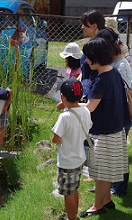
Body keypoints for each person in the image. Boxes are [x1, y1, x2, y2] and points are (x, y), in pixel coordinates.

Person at [79, 37, 131, 217]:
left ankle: (97, 206)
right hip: (116, 130)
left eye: (87, 57)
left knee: (100, 174)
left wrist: (70, 105)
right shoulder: (114, 73)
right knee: (107, 171)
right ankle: (107, 200)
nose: (86, 61)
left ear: (96, 57)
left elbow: (90, 107)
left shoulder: (100, 80)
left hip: (103, 133)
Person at [95, 28, 132, 196]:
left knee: (118, 154)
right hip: (116, 114)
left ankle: (119, 188)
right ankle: (107, 186)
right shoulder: (113, 63)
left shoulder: (121, 65)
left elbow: (121, 92)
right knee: (110, 154)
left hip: (121, 115)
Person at [52, 79, 92, 220]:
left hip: (67, 161)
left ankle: (71, 218)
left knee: (68, 193)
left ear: (62, 97)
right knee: (74, 189)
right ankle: (73, 216)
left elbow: (55, 139)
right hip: (80, 158)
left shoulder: (64, 117)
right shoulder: (86, 111)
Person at [80, 10, 105, 97]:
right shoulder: (92, 43)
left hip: (94, 93)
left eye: (84, 24)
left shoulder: (100, 47)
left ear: (94, 26)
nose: (82, 27)